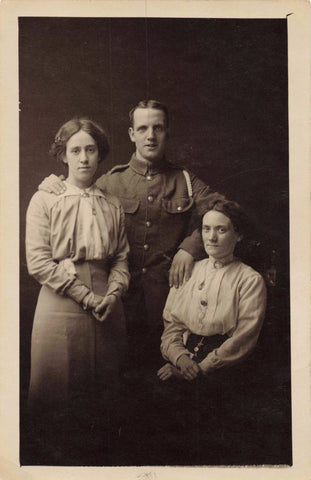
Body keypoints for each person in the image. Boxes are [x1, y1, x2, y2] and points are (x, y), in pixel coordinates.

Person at [39, 100, 225, 376]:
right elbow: (76, 193)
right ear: (131, 134)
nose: (150, 136)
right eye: (143, 128)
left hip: (169, 302)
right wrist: (51, 184)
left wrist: (189, 248)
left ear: (167, 132)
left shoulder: (185, 181)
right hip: (116, 303)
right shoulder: (110, 182)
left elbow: (225, 211)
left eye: (157, 128)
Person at [25, 118, 130, 462]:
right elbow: (39, 262)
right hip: (60, 303)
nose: (84, 158)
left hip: (108, 307)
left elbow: (121, 259)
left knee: (104, 401)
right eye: (75, 150)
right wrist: (86, 296)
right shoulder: (45, 199)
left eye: (90, 149)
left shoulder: (112, 203)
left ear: (100, 155)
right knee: (58, 396)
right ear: (63, 156)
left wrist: (113, 295)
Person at [158, 198, 267, 382]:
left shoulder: (250, 280)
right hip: (184, 361)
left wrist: (200, 369)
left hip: (226, 371)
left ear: (238, 234)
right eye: (206, 229)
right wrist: (181, 360)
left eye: (221, 230)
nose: (211, 237)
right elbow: (172, 326)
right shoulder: (188, 271)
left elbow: (243, 339)